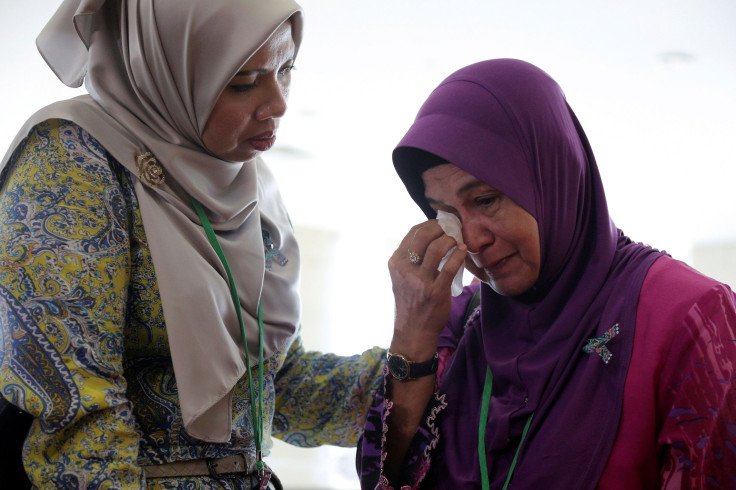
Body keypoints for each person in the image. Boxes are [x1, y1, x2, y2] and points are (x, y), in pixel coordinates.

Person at [0, 1, 384, 488]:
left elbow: (275, 389)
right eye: (244, 81)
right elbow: (75, 408)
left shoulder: (251, 187)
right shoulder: (71, 160)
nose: (279, 103)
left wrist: (429, 355)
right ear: (166, 68)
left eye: (286, 69)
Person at [357, 59, 736, 489]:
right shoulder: (458, 326)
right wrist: (411, 339)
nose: (473, 241)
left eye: (485, 200)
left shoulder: (689, 315)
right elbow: (378, 479)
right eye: (446, 215)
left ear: (552, 176)